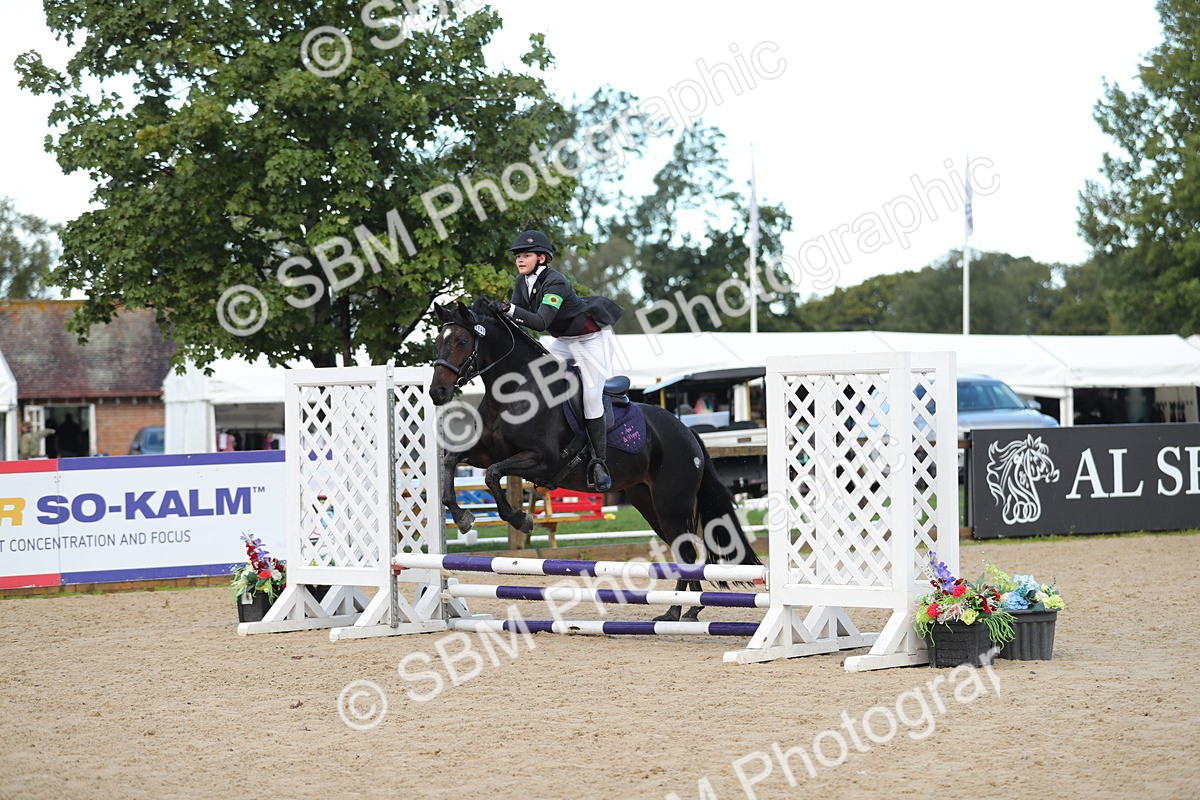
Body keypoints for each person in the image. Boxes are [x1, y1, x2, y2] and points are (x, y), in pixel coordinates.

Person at [489, 230, 623, 491]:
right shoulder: (522, 282)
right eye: (518, 256)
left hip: (592, 341)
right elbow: (515, 322)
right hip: (565, 341)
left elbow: (540, 322)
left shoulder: (556, 282)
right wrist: (493, 316)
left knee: (591, 395)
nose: (519, 260)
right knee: (535, 378)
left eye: (526, 255)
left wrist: (510, 309)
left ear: (541, 258)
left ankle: (599, 462)